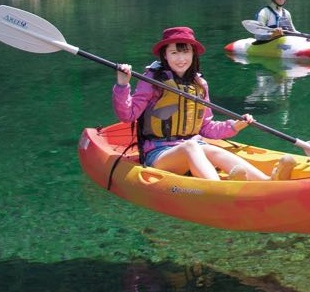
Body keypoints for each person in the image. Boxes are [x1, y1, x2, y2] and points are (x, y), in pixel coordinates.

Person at [113, 26, 295, 181]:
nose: (180, 58)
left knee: (214, 151)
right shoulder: (152, 80)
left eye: (185, 52)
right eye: (174, 53)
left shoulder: (199, 85)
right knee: (192, 146)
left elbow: (206, 127)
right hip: (158, 153)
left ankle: (267, 180)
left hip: (193, 147)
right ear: (165, 56)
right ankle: (216, 188)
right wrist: (122, 85)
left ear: (193, 54)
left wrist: (234, 126)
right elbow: (127, 115)